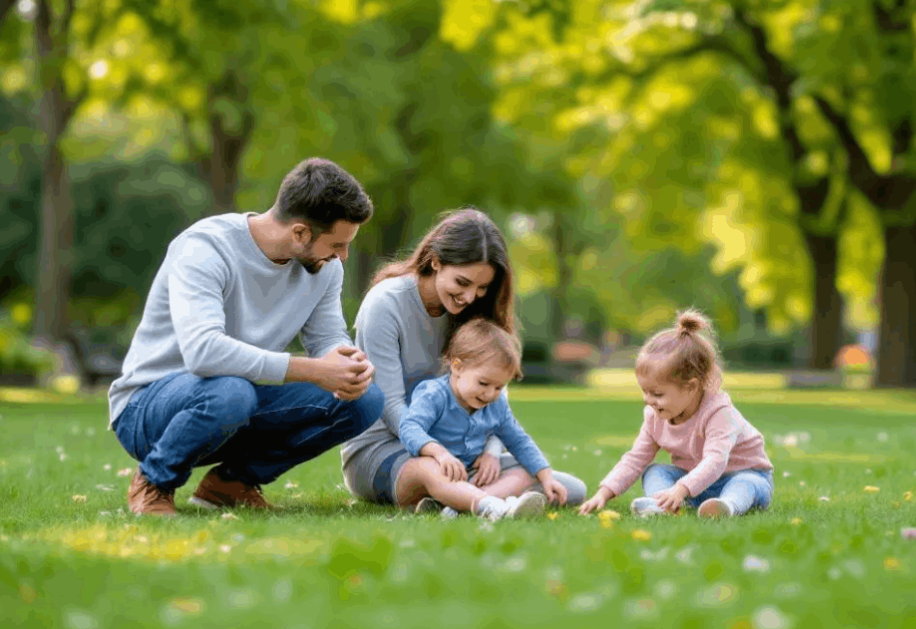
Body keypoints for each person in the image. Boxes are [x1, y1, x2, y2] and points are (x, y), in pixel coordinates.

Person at [109, 158, 384, 517]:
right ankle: (154, 481)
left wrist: (346, 363)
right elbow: (203, 353)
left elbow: (327, 336)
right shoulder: (205, 248)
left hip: (238, 396)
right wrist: (313, 370)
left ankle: (231, 483)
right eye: (338, 244)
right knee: (230, 392)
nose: (342, 256)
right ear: (300, 233)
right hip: (148, 406)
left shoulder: (325, 267)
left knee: (364, 401)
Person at [341, 208, 587, 510]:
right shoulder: (386, 303)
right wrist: (438, 452)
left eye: (482, 288)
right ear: (435, 261)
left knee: (569, 489)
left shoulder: (474, 313)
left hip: (461, 453)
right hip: (386, 450)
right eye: (462, 282)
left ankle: (452, 500)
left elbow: (496, 402)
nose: (470, 297)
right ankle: (481, 503)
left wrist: (492, 454)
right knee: (431, 471)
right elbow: (391, 406)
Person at [578, 309, 773, 519]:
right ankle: (661, 505)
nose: (648, 400)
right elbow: (635, 459)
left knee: (746, 484)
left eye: (657, 393)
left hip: (742, 475)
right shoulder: (654, 417)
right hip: (693, 484)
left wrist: (681, 489)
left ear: (690, 388)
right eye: (645, 391)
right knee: (655, 472)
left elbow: (716, 461)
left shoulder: (719, 413)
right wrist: (603, 493)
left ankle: (727, 506)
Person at [399, 318, 567, 520]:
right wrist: (440, 453)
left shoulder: (496, 405)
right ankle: (489, 505)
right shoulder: (434, 394)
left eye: (498, 387)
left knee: (525, 474)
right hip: (425, 475)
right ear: (457, 367)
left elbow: (519, 440)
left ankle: (458, 507)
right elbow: (409, 427)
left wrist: (546, 477)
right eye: (483, 383)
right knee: (430, 468)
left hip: (468, 475)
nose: (490, 394)